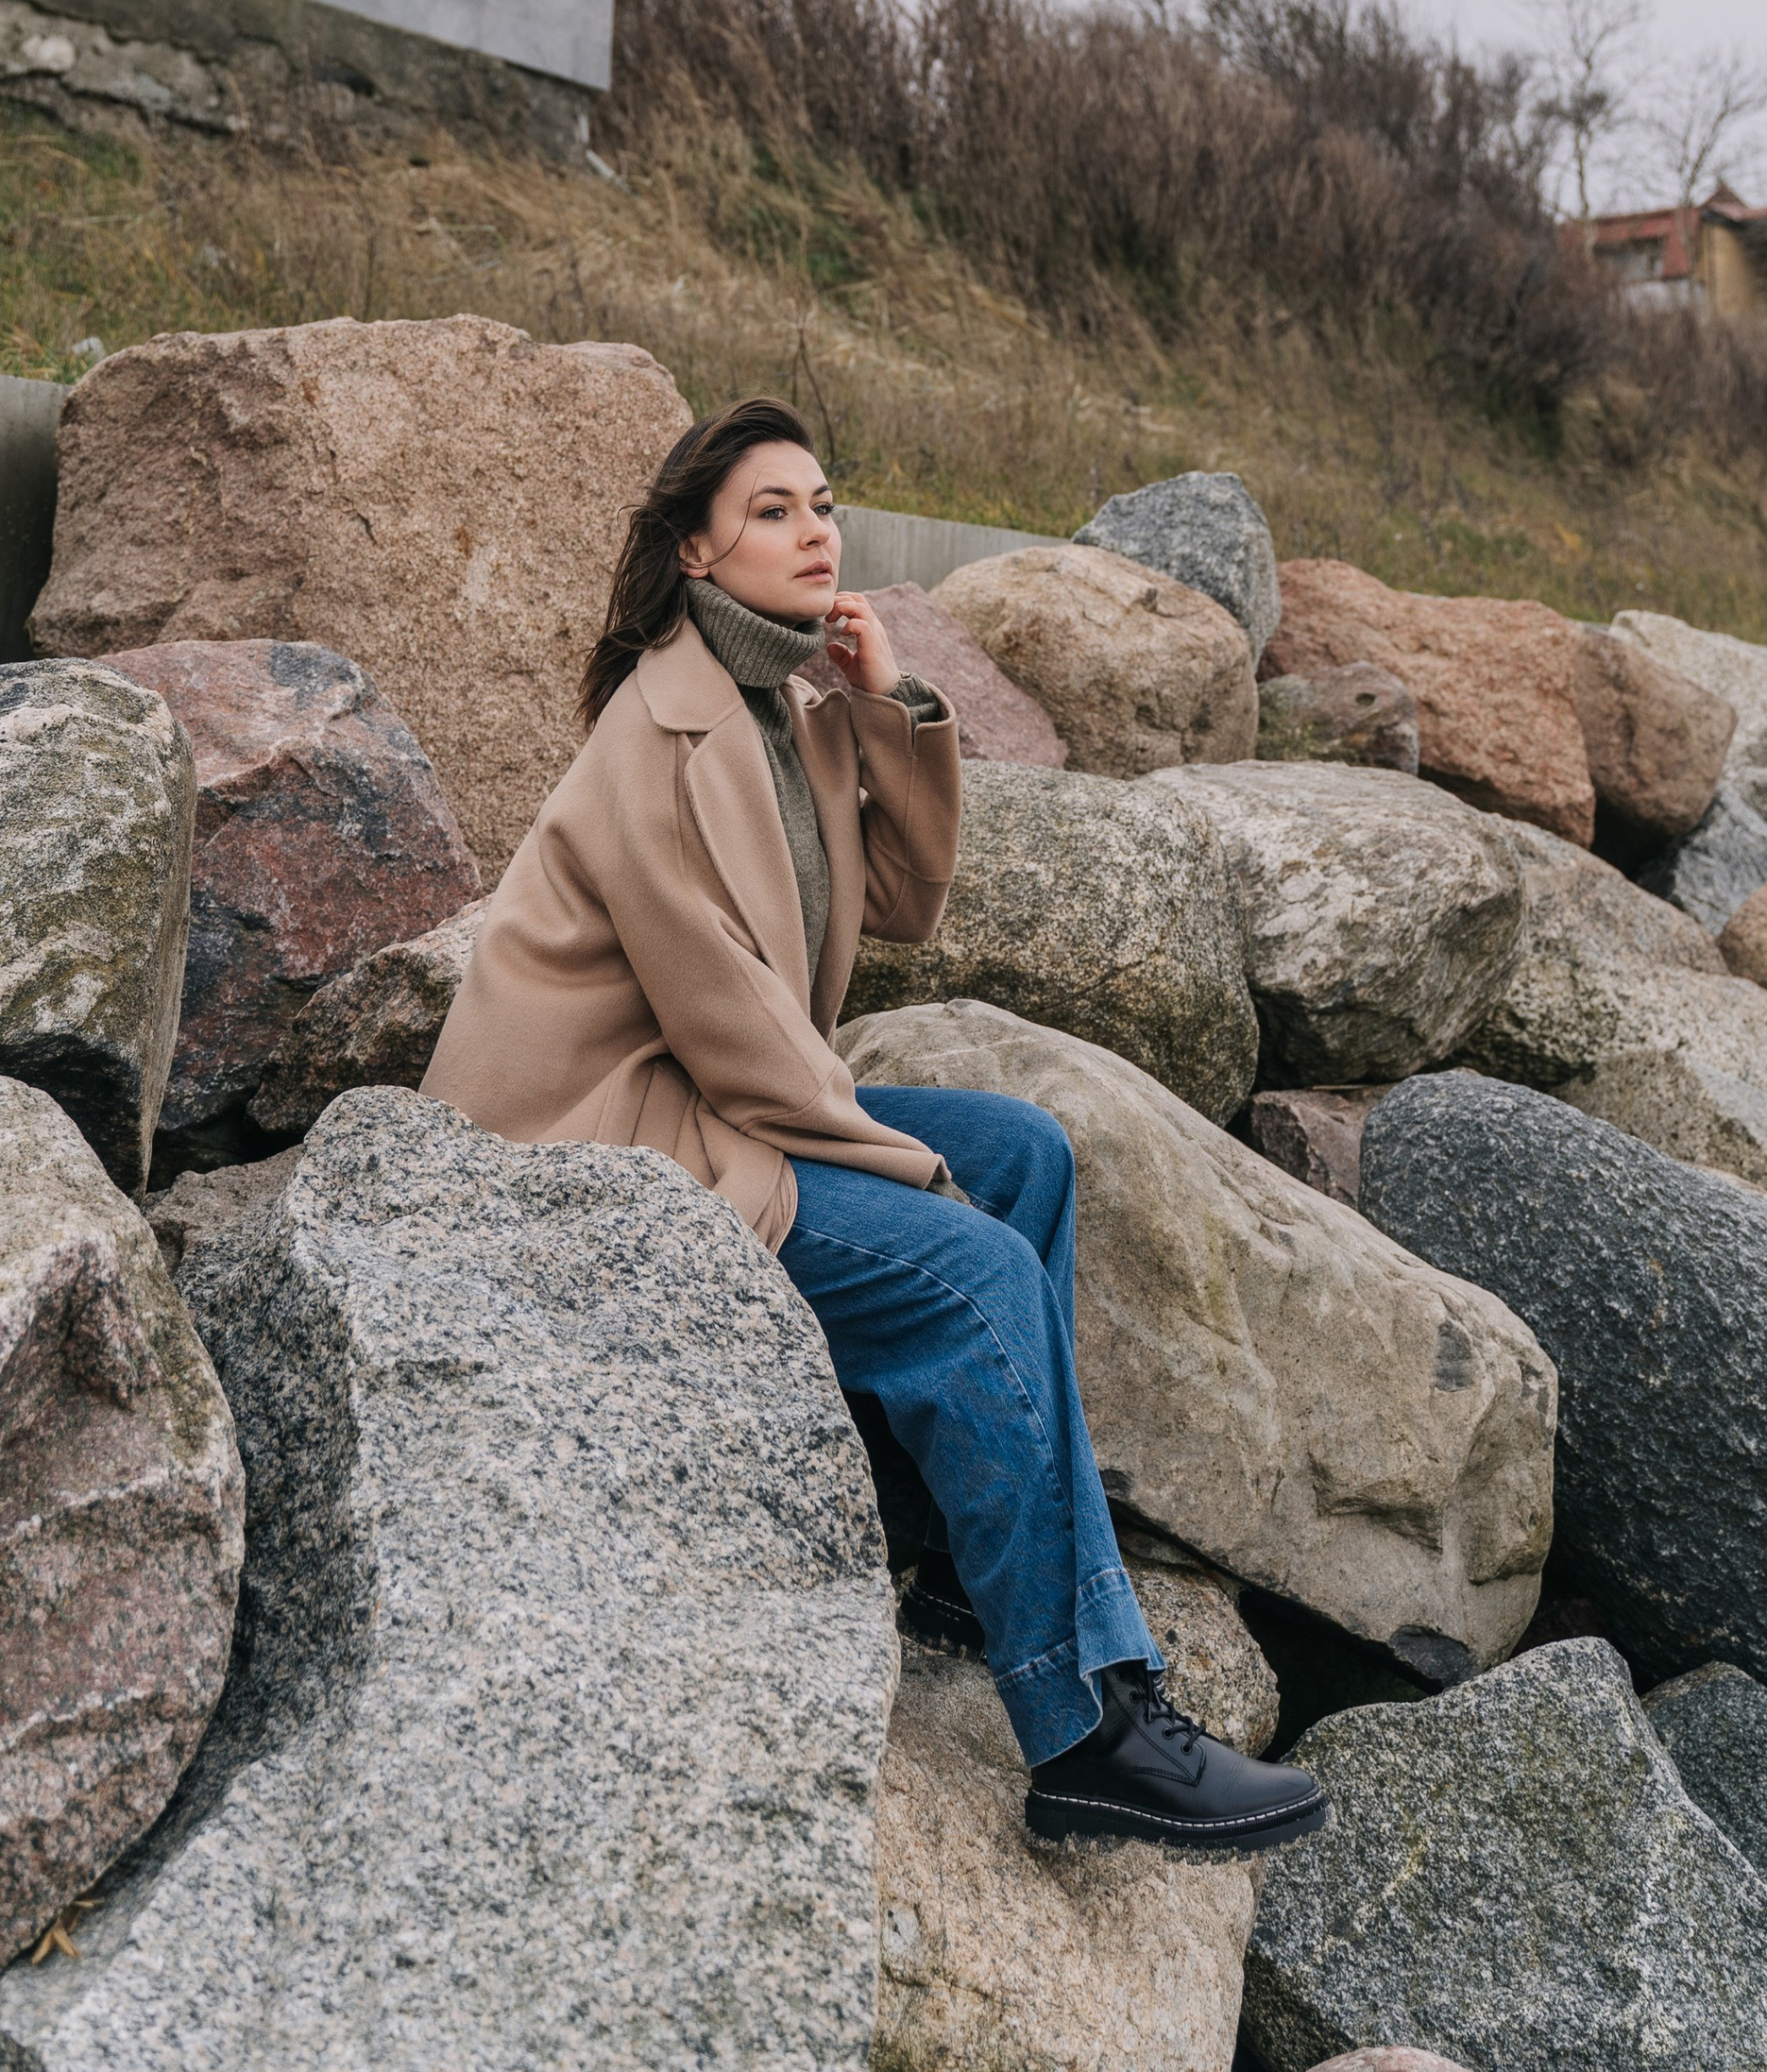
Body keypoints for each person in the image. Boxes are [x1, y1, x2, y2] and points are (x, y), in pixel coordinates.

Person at [423, 397, 1325, 1857]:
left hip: (703, 1101)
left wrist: (889, 708)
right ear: (699, 556)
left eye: (822, 503)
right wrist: (919, 1186)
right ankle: (1089, 1724)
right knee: (971, 1269)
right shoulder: (660, 735)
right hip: (594, 1149)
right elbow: (737, 1034)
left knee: (1023, 1151)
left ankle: (967, 1559)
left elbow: (902, 909)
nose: (813, 530)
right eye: (772, 510)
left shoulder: (779, 704)